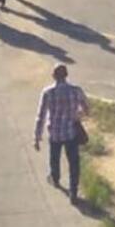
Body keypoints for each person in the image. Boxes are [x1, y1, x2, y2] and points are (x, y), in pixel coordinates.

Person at [34, 63, 89, 204]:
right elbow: (87, 108)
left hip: (55, 133)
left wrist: (37, 136)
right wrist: (78, 115)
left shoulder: (48, 92)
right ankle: (73, 192)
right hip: (71, 132)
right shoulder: (76, 91)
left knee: (54, 158)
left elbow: (41, 115)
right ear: (66, 75)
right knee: (74, 163)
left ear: (53, 76)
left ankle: (55, 178)